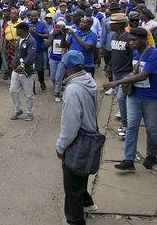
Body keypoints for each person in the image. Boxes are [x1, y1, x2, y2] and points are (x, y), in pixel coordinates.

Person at [103, 27, 157, 171]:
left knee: (152, 129)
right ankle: (129, 159)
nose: (131, 43)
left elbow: (143, 75)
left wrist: (117, 82)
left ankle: (151, 156)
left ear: (144, 40)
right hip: (134, 96)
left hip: (152, 98)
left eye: (134, 40)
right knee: (131, 127)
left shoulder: (154, 54)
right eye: (130, 40)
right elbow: (135, 71)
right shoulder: (135, 53)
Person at [56, 50, 99, 225]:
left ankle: (75, 220)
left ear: (67, 67)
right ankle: (88, 203)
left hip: (78, 140)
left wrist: (60, 147)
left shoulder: (73, 90)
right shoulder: (88, 80)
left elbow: (70, 127)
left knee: (72, 185)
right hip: (90, 136)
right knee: (81, 176)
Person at [107, 13, 133, 139]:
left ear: (121, 24)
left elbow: (133, 58)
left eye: (113, 23)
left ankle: (127, 126)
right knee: (121, 100)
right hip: (116, 73)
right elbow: (114, 54)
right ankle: (127, 124)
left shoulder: (129, 39)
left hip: (126, 74)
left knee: (122, 99)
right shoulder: (113, 36)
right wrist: (109, 66)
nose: (111, 25)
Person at [9, 22, 37, 121]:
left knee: (28, 94)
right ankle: (18, 110)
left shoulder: (31, 41)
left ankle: (30, 113)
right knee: (13, 90)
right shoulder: (19, 40)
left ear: (23, 30)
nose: (16, 30)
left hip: (26, 71)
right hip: (16, 70)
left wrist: (22, 65)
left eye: (18, 29)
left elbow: (31, 55)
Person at [45, 19, 65, 102]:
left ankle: (57, 93)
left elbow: (65, 45)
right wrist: (53, 34)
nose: (57, 29)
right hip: (53, 58)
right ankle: (58, 85)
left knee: (58, 77)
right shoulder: (53, 34)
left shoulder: (66, 35)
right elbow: (47, 44)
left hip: (62, 59)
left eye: (59, 27)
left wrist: (63, 34)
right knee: (53, 77)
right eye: (56, 27)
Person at [28, 10, 49, 90]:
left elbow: (47, 35)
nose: (33, 17)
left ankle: (41, 81)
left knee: (40, 69)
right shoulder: (27, 24)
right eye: (32, 16)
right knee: (30, 69)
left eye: (35, 16)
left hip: (39, 50)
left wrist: (36, 33)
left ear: (38, 16)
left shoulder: (42, 24)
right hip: (29, 51)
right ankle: (31, 87)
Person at [4, 8, 21, 77]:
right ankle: (12, 78)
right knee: (10, 63)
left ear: (17, 15)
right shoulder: (7, 24)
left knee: (18, 62)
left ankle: (18, 77)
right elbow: (3, 34)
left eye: (14, 13)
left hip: (19, 44)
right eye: (11, 13)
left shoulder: (21, 23)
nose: (12, 15)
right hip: (10, 44)